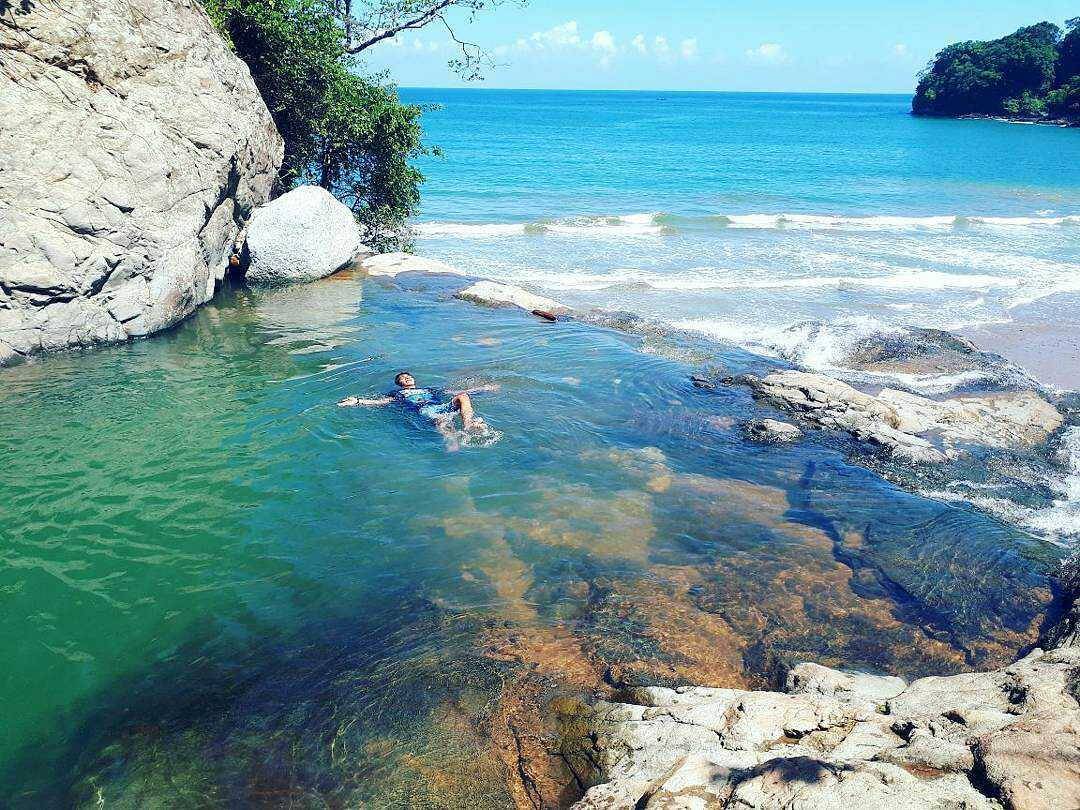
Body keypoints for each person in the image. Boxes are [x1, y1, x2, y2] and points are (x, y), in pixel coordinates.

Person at [338, 372, 497, 447]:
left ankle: (468, 425)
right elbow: (381, 402)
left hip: (440, 406)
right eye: (403, 379)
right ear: (400, 384)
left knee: (463, 396)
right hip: (426, 410)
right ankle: (452, 442)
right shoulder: (397, 394)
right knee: (442, 421)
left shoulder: (429, 389)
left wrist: (483, 388)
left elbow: (452, 393)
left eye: (408, 377)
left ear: (413, 379)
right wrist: (357, 400)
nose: (407, 379)